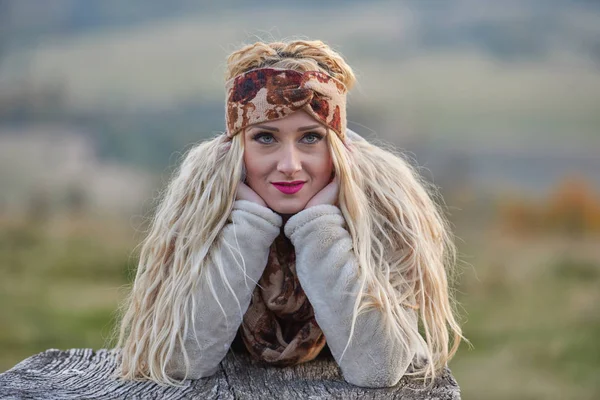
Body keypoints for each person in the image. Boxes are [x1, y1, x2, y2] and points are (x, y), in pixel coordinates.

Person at [111, 39, 464, 389]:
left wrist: (320, 227)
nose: (289, 165)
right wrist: (248, 225)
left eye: (311, 138)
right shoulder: (203, 209)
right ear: (237, 147)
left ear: (338, 147)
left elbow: (379, 369)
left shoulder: (382, 213)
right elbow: (180, 361)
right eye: (266, 138)